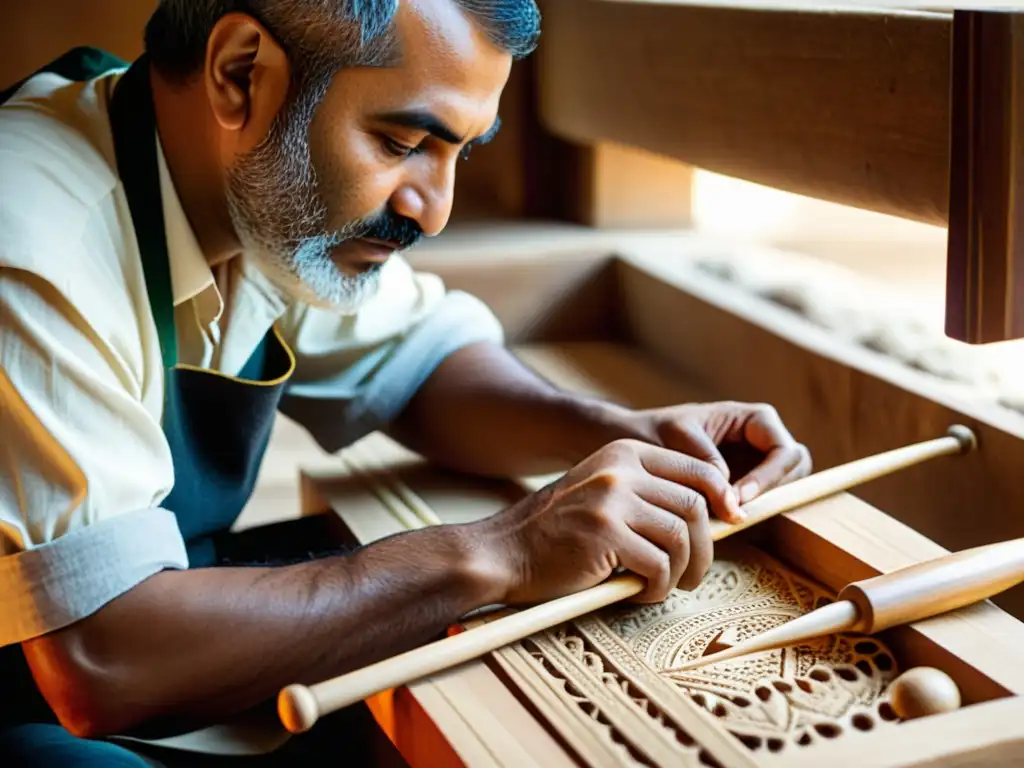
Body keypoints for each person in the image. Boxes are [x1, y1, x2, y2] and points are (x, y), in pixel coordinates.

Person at [0, 0, 811, 763]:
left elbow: (420, 363)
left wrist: (627, 432)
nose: (434, 209)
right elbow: (101, 662)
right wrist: (504, 549)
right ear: (241, 72)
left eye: (462, 150)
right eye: (401, 143)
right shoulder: (34, 230)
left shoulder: (244, 184)